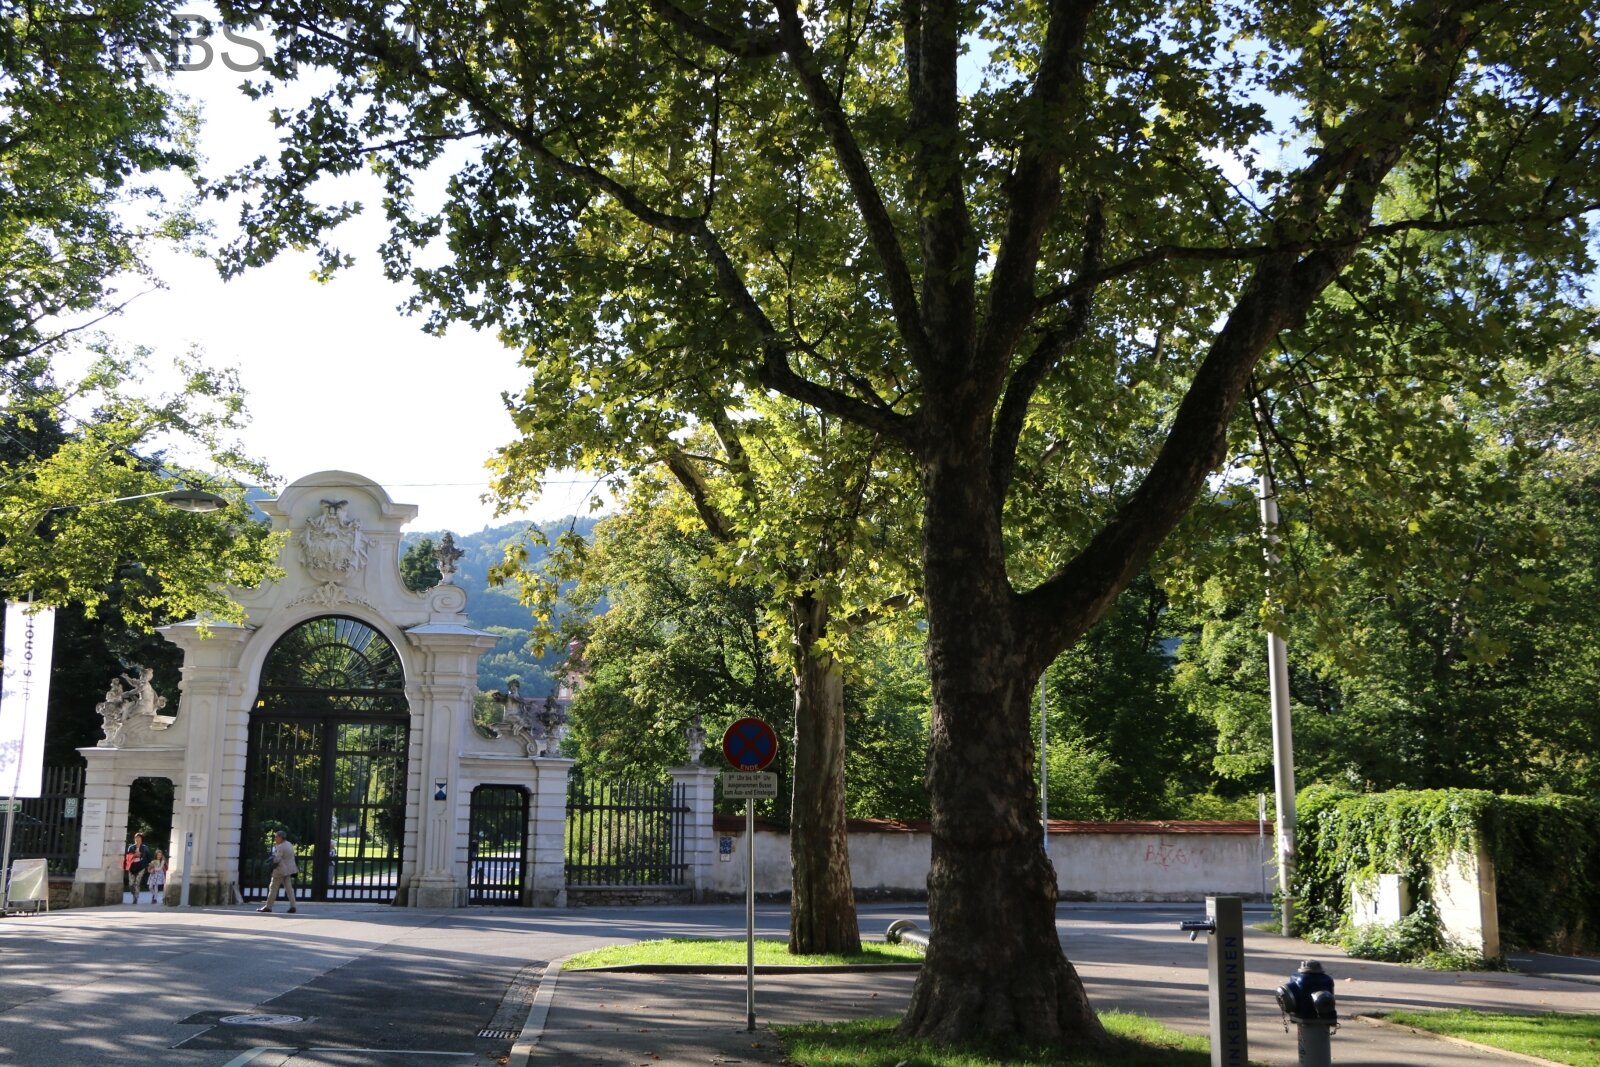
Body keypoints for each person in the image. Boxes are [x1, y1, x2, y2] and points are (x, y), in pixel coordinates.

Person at [258, 830, 298, 913]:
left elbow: (277, 859)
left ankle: (268, 907)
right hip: (288, 870)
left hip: (280, 870)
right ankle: (293, 906)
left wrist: (271, 860)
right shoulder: (289, 844)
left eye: (276, 836)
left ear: (280, 837)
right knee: (289, 889)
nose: (275, 838)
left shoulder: (280, 846)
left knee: (273, 888)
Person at [124, 832, 151, 903]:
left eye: (139, 837)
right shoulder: (131, 847)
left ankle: (135, 898)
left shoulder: (145, 848)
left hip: (141, 866)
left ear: (141, 839)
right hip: (132, 866)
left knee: (137, 882)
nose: (137, 839)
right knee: (131, 883)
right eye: (136, 837)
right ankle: (133, 894)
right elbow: (127, 857)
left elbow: (149, 858)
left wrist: (141, 855)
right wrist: (134, 855)